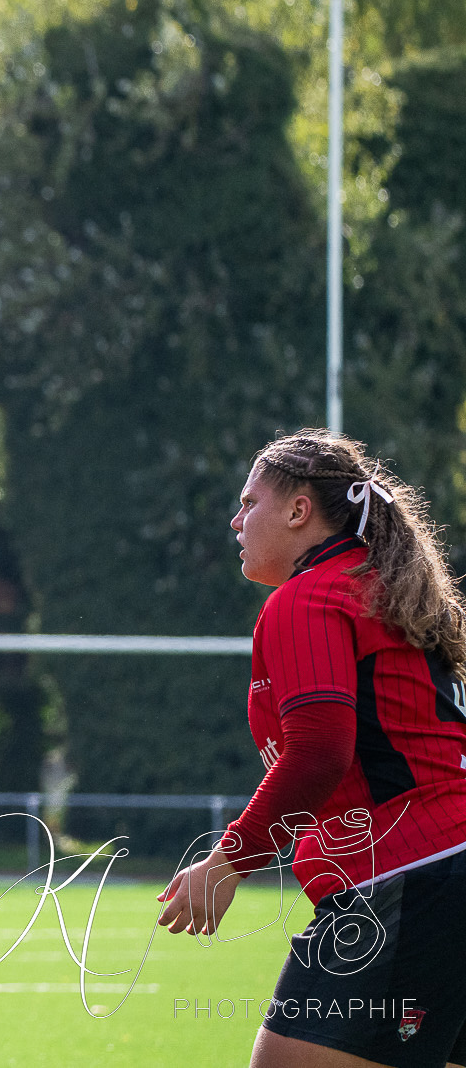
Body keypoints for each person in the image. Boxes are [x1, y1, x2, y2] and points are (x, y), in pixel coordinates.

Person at [157, 429, 466, 1067]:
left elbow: (320, 753)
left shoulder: (310, 595)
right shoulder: (389, 595)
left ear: (299, 511)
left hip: (413, 875)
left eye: (250, 502)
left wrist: (226, 862)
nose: (235, 519)